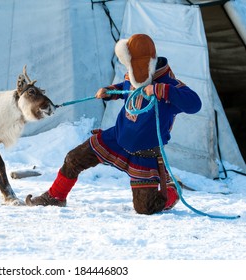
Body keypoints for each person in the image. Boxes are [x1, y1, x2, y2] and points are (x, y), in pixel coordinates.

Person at [25, 34, 202, 214]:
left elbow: (195, 104)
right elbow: (125, 88)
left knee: (145, 208)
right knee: (74, 158)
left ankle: (173, 190)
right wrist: (110, 92)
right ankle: (55, 197)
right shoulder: (133, 75)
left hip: (145, 154)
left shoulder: (170, 85)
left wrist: (161, 90)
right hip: (117, 138)